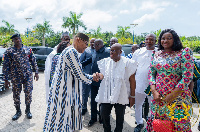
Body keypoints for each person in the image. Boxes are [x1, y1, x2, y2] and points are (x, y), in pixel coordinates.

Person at [43, 33, 99, 132]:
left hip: (69, 92)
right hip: (63, 93)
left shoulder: (71, 51)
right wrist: (94, 77)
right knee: (60, 121)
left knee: (67, 120)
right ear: (78, 40)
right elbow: (80, 75)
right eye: (85, 43)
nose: (86, 47)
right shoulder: (71, 52)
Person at [147, 29, 194, 132]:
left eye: (169, 38)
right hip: (159, 98)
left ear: (175, 39)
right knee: (160, 125)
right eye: (163, 38)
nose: (165, 41)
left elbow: (187, 76)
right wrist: (154, 91)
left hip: (178, 98)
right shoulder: (156, 54)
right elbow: (151, 73)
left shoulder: (183, 53)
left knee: (178, 125)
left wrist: (172, 95)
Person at [95, 43, 137, 132]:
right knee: (103, 113)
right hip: (107, 93)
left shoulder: (128, 63)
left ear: (120, 52)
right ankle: (107, 130)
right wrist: (99, 75)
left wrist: (132, 96)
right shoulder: (105, 61)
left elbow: (132, 80)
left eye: (114, 50)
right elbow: (103, 75)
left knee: (120, 116)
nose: (111, 52)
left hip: (121, 94)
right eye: (111, 50)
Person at [3, 33, 39, 120]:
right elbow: (6, 65)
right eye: (15, 39)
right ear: (13, 41)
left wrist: (36, 72)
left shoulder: (28, 49)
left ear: (20, 39)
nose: (18, 40)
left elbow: (33, 61)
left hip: (27, 76)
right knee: (16, 94)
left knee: (28, 92)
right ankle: (18, 111)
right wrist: (6, 79)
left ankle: (28, 110)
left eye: (18, 38)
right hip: (15, 77)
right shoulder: (9, 51)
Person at [132, 34, 157, 132]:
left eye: (151, 39)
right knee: (138, 105)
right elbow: (132, 68)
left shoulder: (159, 52)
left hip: (153, 86)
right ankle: (139, 123)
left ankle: (150, 125)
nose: (149, 41)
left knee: (153, 106)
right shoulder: (138, 52)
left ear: (155, 41)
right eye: (147, 39)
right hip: (139, 84)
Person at [88, 39, 110, 127]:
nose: (94, 46)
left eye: (96, 45)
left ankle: (102, 118)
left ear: (101, 44)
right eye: (93, 44)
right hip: (93, 82)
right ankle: (93, 118)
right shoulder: (94, 52)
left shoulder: (107, 53)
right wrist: (79, 65)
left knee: (102, 101)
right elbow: (89, 60)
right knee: (93, 101)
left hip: (103, 82)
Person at [44, 31, 70, 103]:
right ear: (61, 39)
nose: (67, 40)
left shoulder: (71, 50)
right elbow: (50, 71)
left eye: (68, 39)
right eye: (65, 38)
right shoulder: (54, 53)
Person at [80, 38, 96, 115]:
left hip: (95, 77)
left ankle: (95, 109)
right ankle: (84, 107)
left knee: (94, 94)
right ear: (89, 43)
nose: (92, 44)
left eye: (94, 42)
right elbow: (81, 62)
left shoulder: (98, 51)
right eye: (91, 42)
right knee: (85, 92)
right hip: (86, 76)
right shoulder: (86, 51)